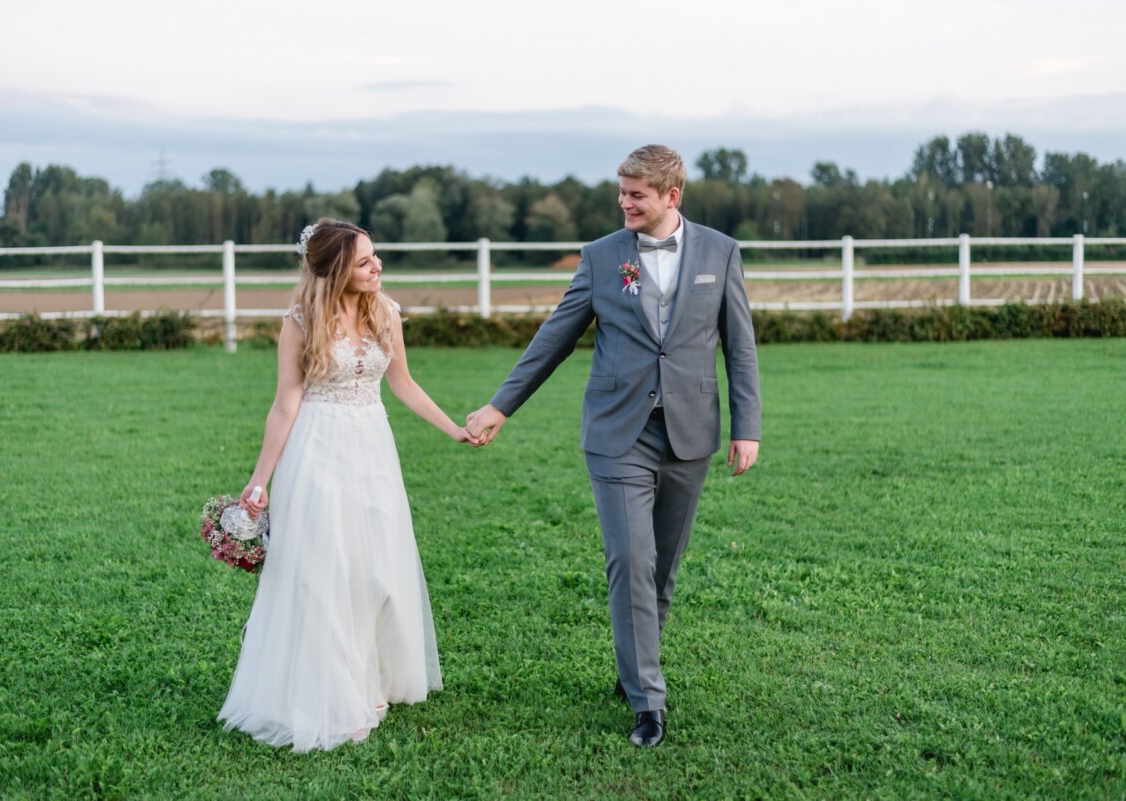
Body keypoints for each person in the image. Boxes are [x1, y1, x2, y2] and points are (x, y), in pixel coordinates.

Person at [466, 145, 761, 748]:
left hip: (689, 432)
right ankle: (648, 702)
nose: (624, 204)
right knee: (631, 562)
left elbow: (741, 344)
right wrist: (501, 404)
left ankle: (634, 669)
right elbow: (555, 336)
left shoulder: (720, 252)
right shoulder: (601, 258)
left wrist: (746, 425)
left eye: (636, 195)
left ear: (671, 197)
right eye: (621, 193)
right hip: (616, 432)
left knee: (662, 569)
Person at [218, 219, 476, 752]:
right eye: (363, 261)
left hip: (373, 448)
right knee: (326, 570)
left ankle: (372, 677)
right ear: (336, 269)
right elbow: (286, 402)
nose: (376, 266)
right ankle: (338, 692)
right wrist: (259, 480)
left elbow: (402, 382)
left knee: (376, 567)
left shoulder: (386, 312)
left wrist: (453, 428)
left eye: (376, 256)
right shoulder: (299, 321)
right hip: (317, 449)